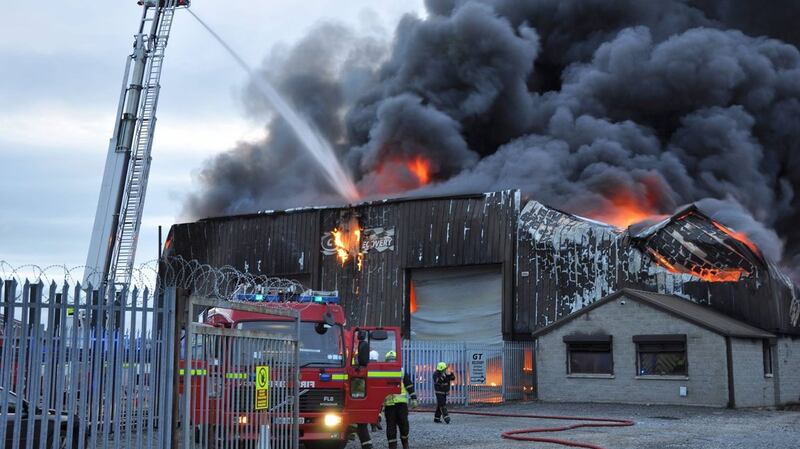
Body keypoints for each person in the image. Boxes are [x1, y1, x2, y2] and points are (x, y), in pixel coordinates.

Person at [384, 351, 417, 449]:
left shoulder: (401, 371)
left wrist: (413, 398)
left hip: (401, 404)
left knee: (404, 425)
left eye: (393, 360)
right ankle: (392, 446)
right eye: (390, 360)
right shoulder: (383, 372)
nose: (391, 362)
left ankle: (405, 443)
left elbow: (409, 384)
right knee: (390, 427)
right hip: (389, 404)